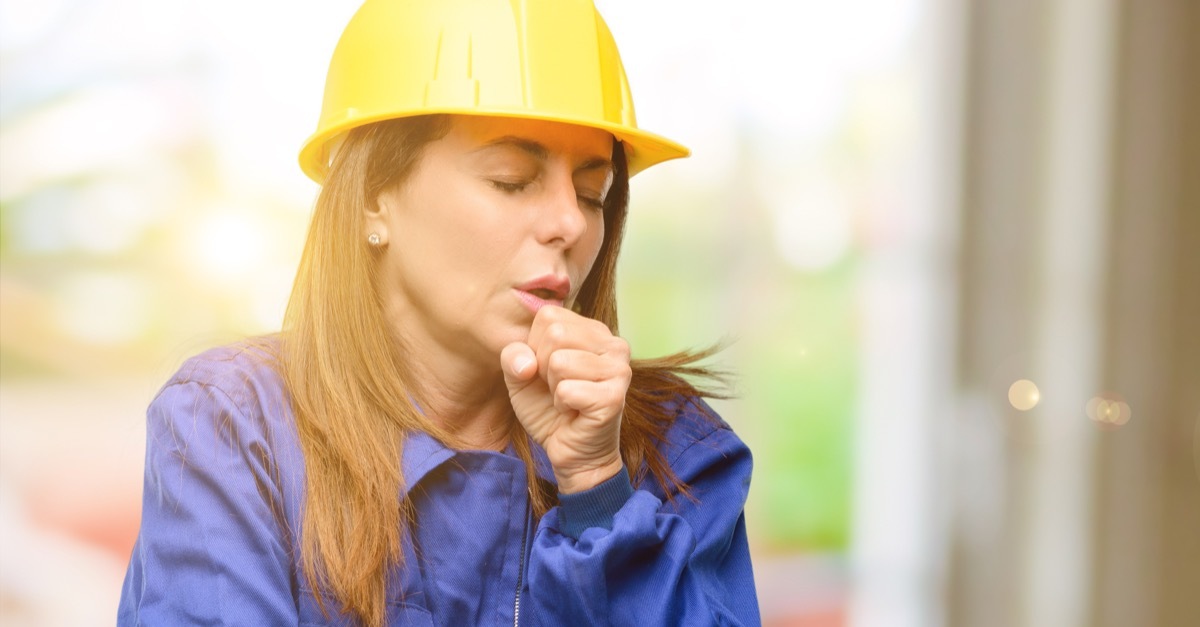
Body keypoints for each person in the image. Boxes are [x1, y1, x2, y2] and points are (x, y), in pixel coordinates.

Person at [117, 0, 760, 624]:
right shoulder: (235, 424)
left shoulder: (674, 450)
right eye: (512, 179)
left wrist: (598, 491)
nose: (569, 222)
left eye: (593, 193)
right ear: (375, 197)